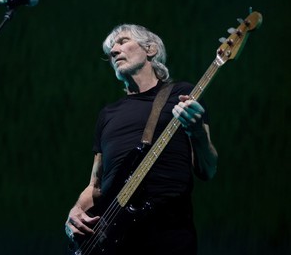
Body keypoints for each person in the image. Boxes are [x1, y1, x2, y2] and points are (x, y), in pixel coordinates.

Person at [64, 24, 218, 255]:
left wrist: (196, 131)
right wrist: (76, 211)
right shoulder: (108, 114)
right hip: (114, 240)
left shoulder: (181, 94)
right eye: (111, 49)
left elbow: (208, 169)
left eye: (123, 41)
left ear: (151, 49)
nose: (114, 51)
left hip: (167, 232)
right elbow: (95, 185)